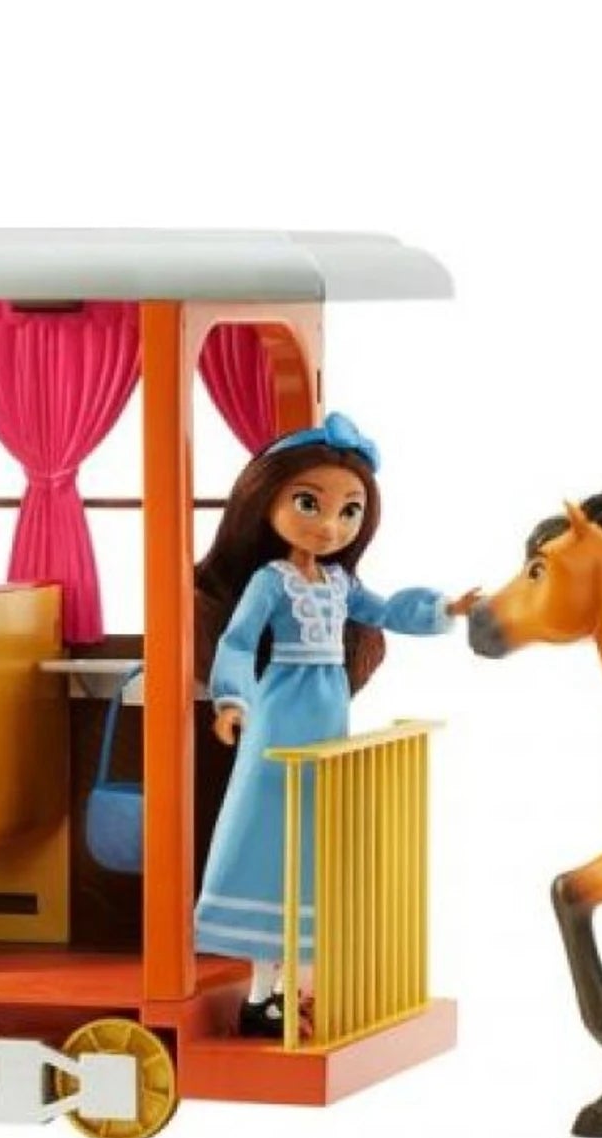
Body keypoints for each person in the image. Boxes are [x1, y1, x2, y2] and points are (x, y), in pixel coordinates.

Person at [192, 412, 477, 1035]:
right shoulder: (271, 581)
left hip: (327, 709)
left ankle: (290, 988)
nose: (329, 525)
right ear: (265, 502)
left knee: (313, 841)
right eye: (309, 504)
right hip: (280, 710)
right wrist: (233, 701)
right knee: (268, 833)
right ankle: (260, 992)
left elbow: (388, 609)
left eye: (349, 511)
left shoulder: (341, 582)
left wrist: (445, 608)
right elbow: (238, 642)